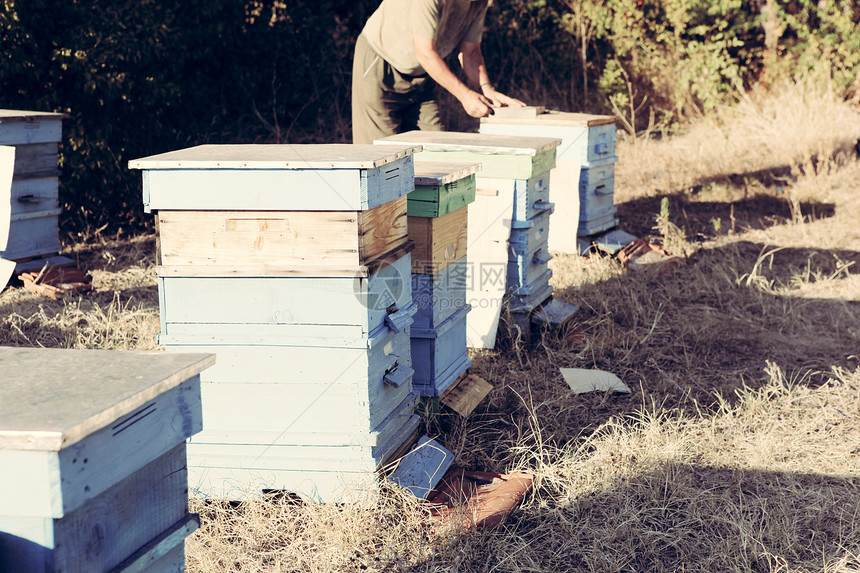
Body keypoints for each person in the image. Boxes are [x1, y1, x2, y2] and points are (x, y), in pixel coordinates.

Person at [351, 0, 525, 144]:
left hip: (424, 74)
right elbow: (424, 53)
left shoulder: (479, 3)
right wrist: (465, 96)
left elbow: (470, 51)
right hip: (381, 63)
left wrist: (487, 90)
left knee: (434, 148)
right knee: (381, 158)